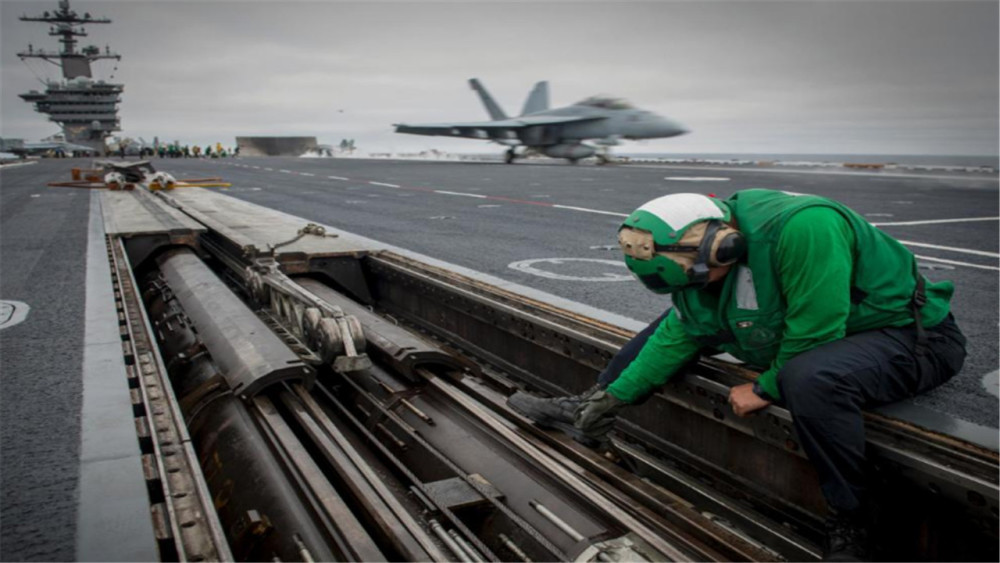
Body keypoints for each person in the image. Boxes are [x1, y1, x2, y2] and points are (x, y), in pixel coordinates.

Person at [507, 189, 966, 561]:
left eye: (697, 276)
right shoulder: (700, 250)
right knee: (663, 330)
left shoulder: (806, 227)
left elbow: (817, 330)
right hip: (806, 328)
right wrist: (614, 400)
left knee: (809, 378)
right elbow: (682, 331)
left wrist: (765, 387)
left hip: (907, 337)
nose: (695, 288)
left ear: (725, 246)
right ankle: (588, 404)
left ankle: (855, 518)